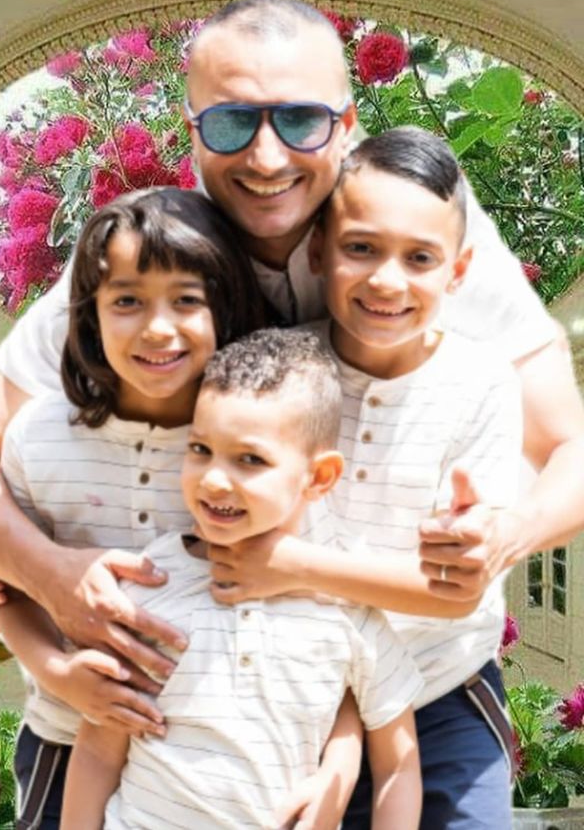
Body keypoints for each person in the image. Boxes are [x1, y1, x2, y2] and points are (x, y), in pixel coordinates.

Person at [0, 0, 583, 749]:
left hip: (426, 683)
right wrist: (46, 570)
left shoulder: (419, 232)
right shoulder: (155, 257)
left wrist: (507, 534)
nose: (268, 156)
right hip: (225, 702)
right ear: (193, 133)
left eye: (301, 119)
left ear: (346, 123)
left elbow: (570, 447)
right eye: (232, 122)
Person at [211, 127, 523, 829]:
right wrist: (342, 743)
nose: (387, 280)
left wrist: (288, 563)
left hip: (442, 691)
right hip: (303, 694)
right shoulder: (276, 375)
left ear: (457, 270)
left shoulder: (482, 383)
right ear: (317, 251)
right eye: (361, 248)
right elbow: (238, 553)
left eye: (420, 258)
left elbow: (451, 596)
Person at [59, 327, 422, 830]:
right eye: (200, 449)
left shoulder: (345, 609)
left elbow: (398, 764)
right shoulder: (148, 584)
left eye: (250, 459)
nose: (212, 479)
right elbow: (100, 750)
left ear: (318, 477)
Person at [0, 186, 274, 827]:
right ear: (90, 314)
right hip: (67, 741)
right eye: (127, 300)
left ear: (225, 306)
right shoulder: (38, 435)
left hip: (214, 762)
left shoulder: (245, 443)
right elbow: (8, 593)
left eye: (187, 299)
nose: (158, 327)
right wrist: (59, 671)